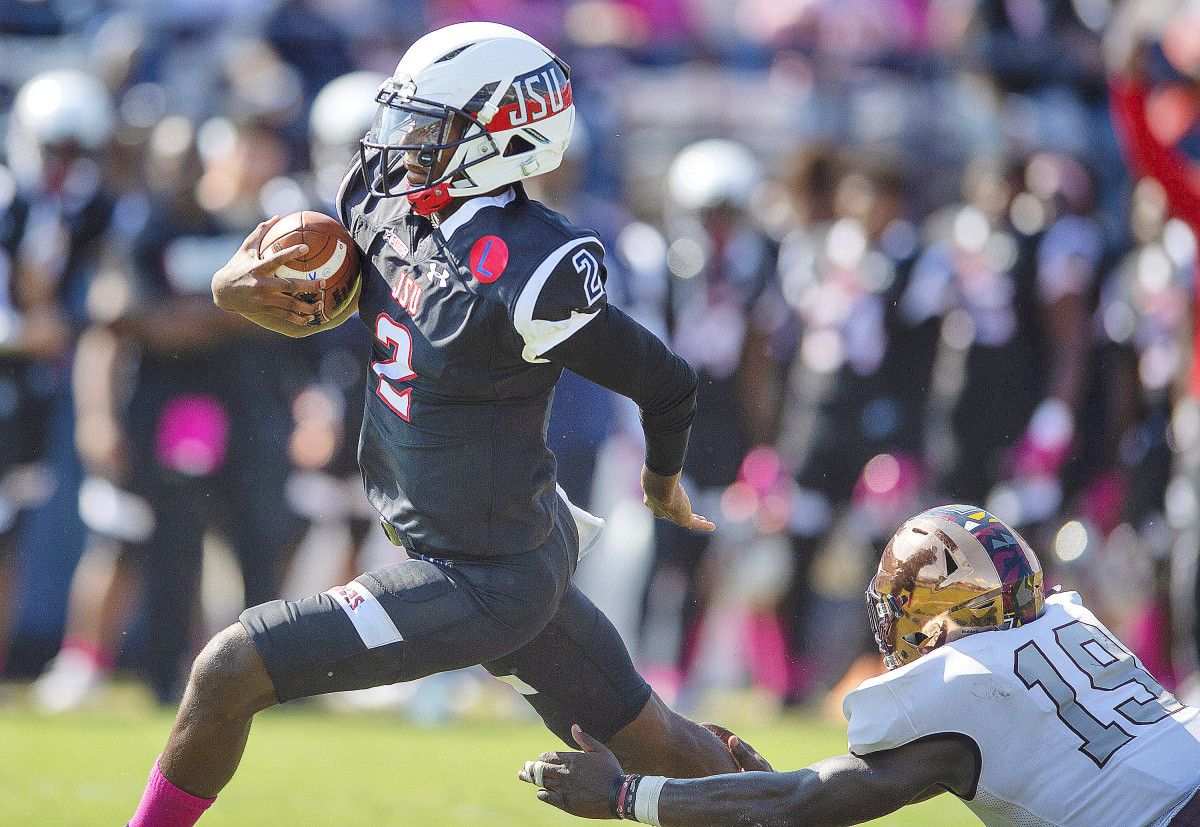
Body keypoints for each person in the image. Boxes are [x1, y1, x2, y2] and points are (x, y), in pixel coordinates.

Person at [126, 21, 746, 826]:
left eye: (430, 125)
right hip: (499, 542)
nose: (401, 142)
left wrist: (662, 482)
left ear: (508, 134)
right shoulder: (385, 200)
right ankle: (772, 806)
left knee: (230, 665)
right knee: (650, 738)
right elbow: (336, 276)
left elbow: (666, 382)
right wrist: (229, 287)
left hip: (484, 576)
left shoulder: (533, 266)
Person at [519, 504, 1200, 826]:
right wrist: (787, 787)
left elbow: (801, 806)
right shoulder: (1067, 619)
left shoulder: (965, 682)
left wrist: (621, 795)